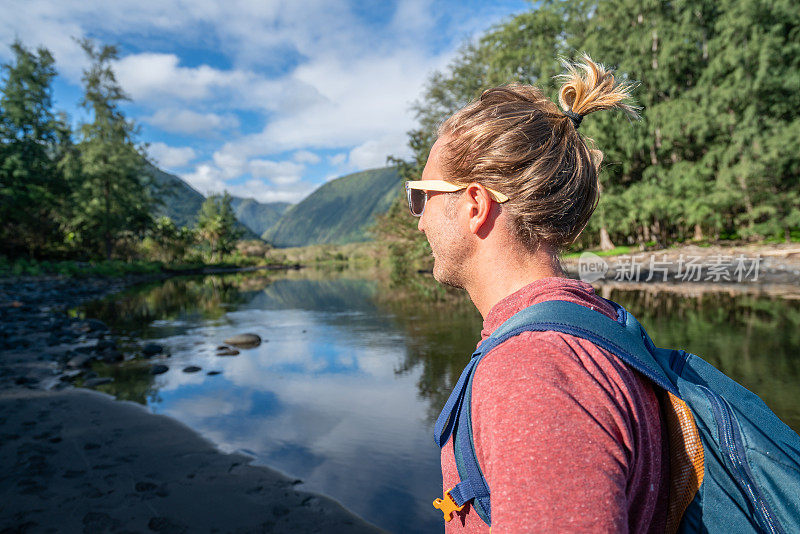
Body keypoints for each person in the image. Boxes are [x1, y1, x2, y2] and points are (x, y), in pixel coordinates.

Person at [406, 55, 669, 532]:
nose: (419, 218)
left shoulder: (534, 371)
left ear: (474, 205)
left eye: (422, 195)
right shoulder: (589, 325)